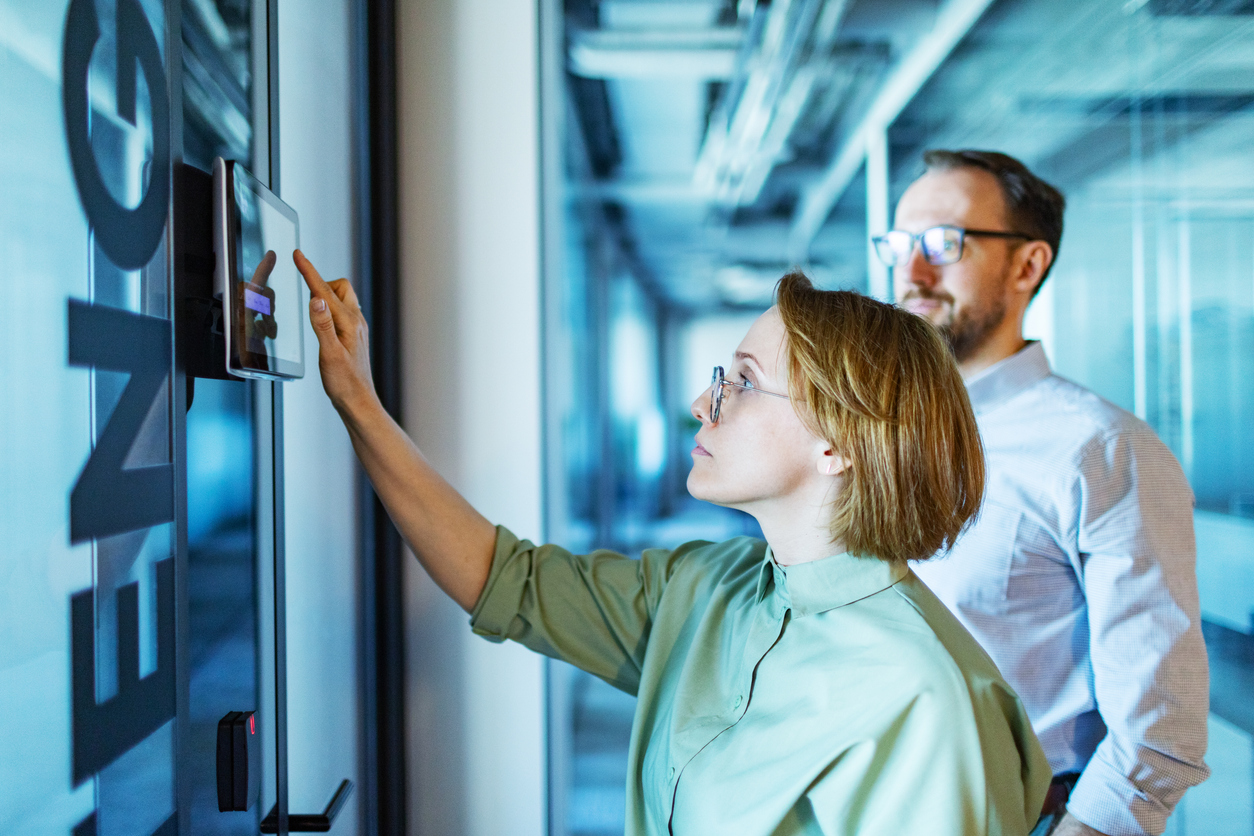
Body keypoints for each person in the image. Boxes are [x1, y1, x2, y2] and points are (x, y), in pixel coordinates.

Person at [295, 252, 1051, 835]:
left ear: (838, 444)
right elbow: (507, 579)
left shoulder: (924, 696)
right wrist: (357, 402)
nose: (702, 403)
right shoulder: (707, 586)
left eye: (744, 383)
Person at [878, 149, 1210, 836]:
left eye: (944, 243)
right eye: (900, 244)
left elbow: (1161, 721)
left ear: (1027, 265)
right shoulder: (877, 435)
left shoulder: (1100, 449)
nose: (911, 272)